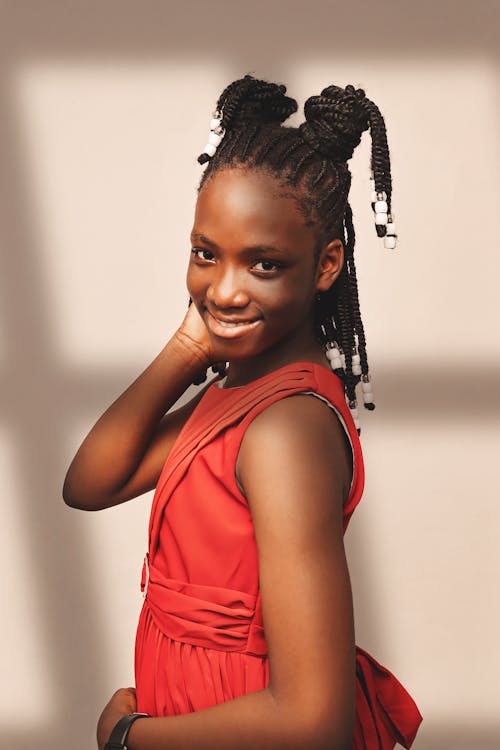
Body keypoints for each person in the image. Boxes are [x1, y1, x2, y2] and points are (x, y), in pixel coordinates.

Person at [63, 74, 423, 750]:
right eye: (207, 254)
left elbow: (312, 721)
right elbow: (90, 483)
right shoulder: (235, 397)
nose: (224, 290)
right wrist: (187, 346)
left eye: (263, 264)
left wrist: (126, 739)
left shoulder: (284, 429)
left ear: (325, 266)